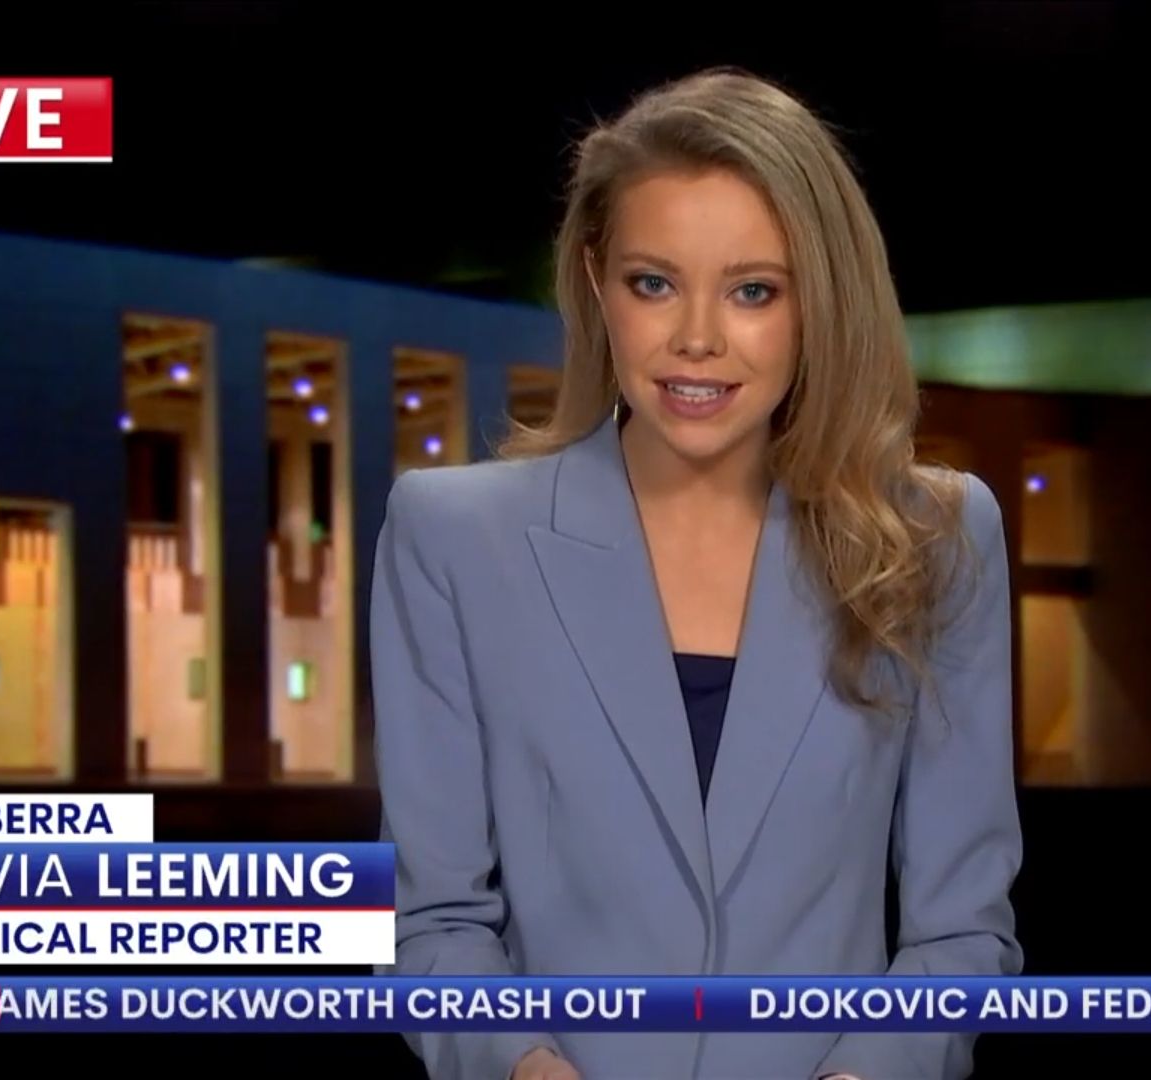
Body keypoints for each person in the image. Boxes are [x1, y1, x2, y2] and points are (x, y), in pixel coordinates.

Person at [371, 68, 1022, 1080]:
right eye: (654, 283)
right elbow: (432, 924)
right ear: (597, 281)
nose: (699, 340)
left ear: (819, 303)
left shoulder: (934, 538)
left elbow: (963, 934)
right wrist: (525, 1067)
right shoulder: (451, 539)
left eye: (754, 290)